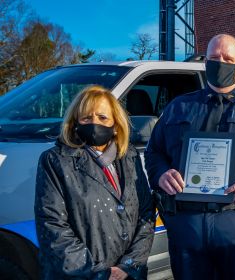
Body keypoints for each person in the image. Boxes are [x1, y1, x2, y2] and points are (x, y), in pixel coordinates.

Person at [144, 34, 235, 280]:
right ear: (205, 62)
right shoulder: (179, 107)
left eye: (228, 58)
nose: (220, 62)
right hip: (187, 226)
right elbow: (154, 151)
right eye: (214, 58)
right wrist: (161, 174)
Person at [35, 85, 155, 280]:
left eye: (102, 117)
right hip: (81, 276)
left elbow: (146, 212)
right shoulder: (56, 161)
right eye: (86, 118)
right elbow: (52, 226)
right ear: (75, 123)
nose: (94, 123)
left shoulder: (129, 156)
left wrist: (129, 265)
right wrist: (100, 273)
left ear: (116, 125)